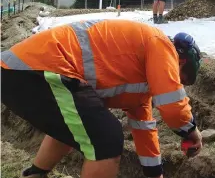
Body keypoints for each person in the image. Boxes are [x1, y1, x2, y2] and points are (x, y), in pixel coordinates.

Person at [1, 19, 203, 178]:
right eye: (180, 79)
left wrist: (155, 175)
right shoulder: (161, 44)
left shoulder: (140, 92)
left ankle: (35, 175)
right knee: (107, 139)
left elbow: (144, 131)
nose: (176, 84)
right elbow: (173, 107)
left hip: (22, 71)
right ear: (181, 60)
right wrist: (192, 131)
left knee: (79, 125)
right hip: (39, 67)